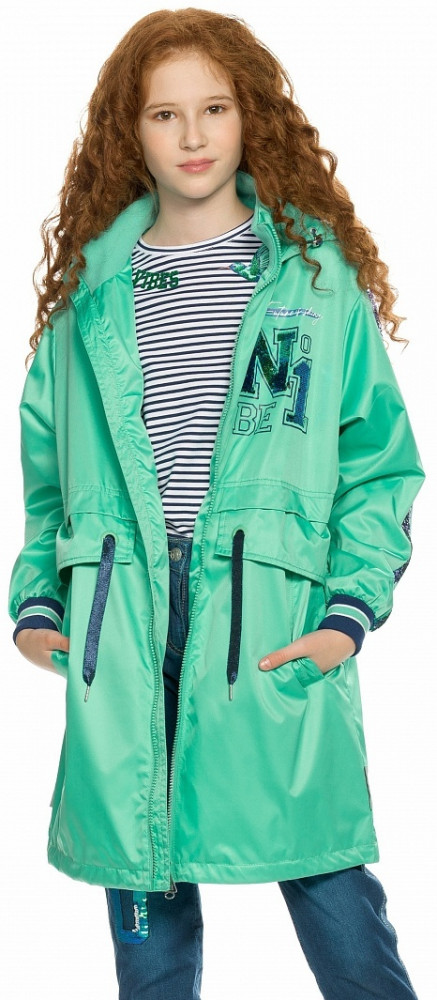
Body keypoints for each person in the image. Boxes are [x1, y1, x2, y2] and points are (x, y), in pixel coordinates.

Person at [8, 8, 425, 999]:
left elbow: (377, 465)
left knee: (328, 885)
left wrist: (346, 612)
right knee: (144, 894)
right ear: (129, 130)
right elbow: (48, 479)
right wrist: (38, 602)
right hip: (123, 622)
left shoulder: (311, 278)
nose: (191, 136)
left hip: (270, 619)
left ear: (251, 118)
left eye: (214, 108)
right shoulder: (90, 295)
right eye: (163, 114)